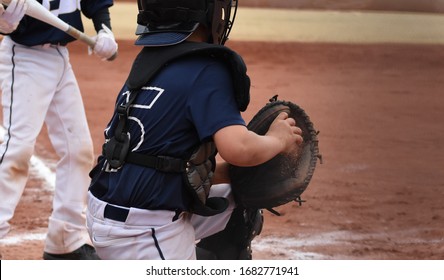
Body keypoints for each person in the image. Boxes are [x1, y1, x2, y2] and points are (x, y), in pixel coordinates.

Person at [86, 0, 302, 260]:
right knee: (245, 191)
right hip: (143, 234)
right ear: (209, 14)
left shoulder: (149, 62)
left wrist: (229, 174)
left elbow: (156, 159)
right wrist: (278, 140)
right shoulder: (208, 68)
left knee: (238, 195)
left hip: (106, 214)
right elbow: (240, 148)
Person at [0, 0, 118, 259]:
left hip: (60, 58)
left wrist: (104, 28)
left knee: (78, 149)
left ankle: (65, 240)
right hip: (25, 56)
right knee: (16, 150)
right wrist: (4, 24)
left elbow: (94, 2)